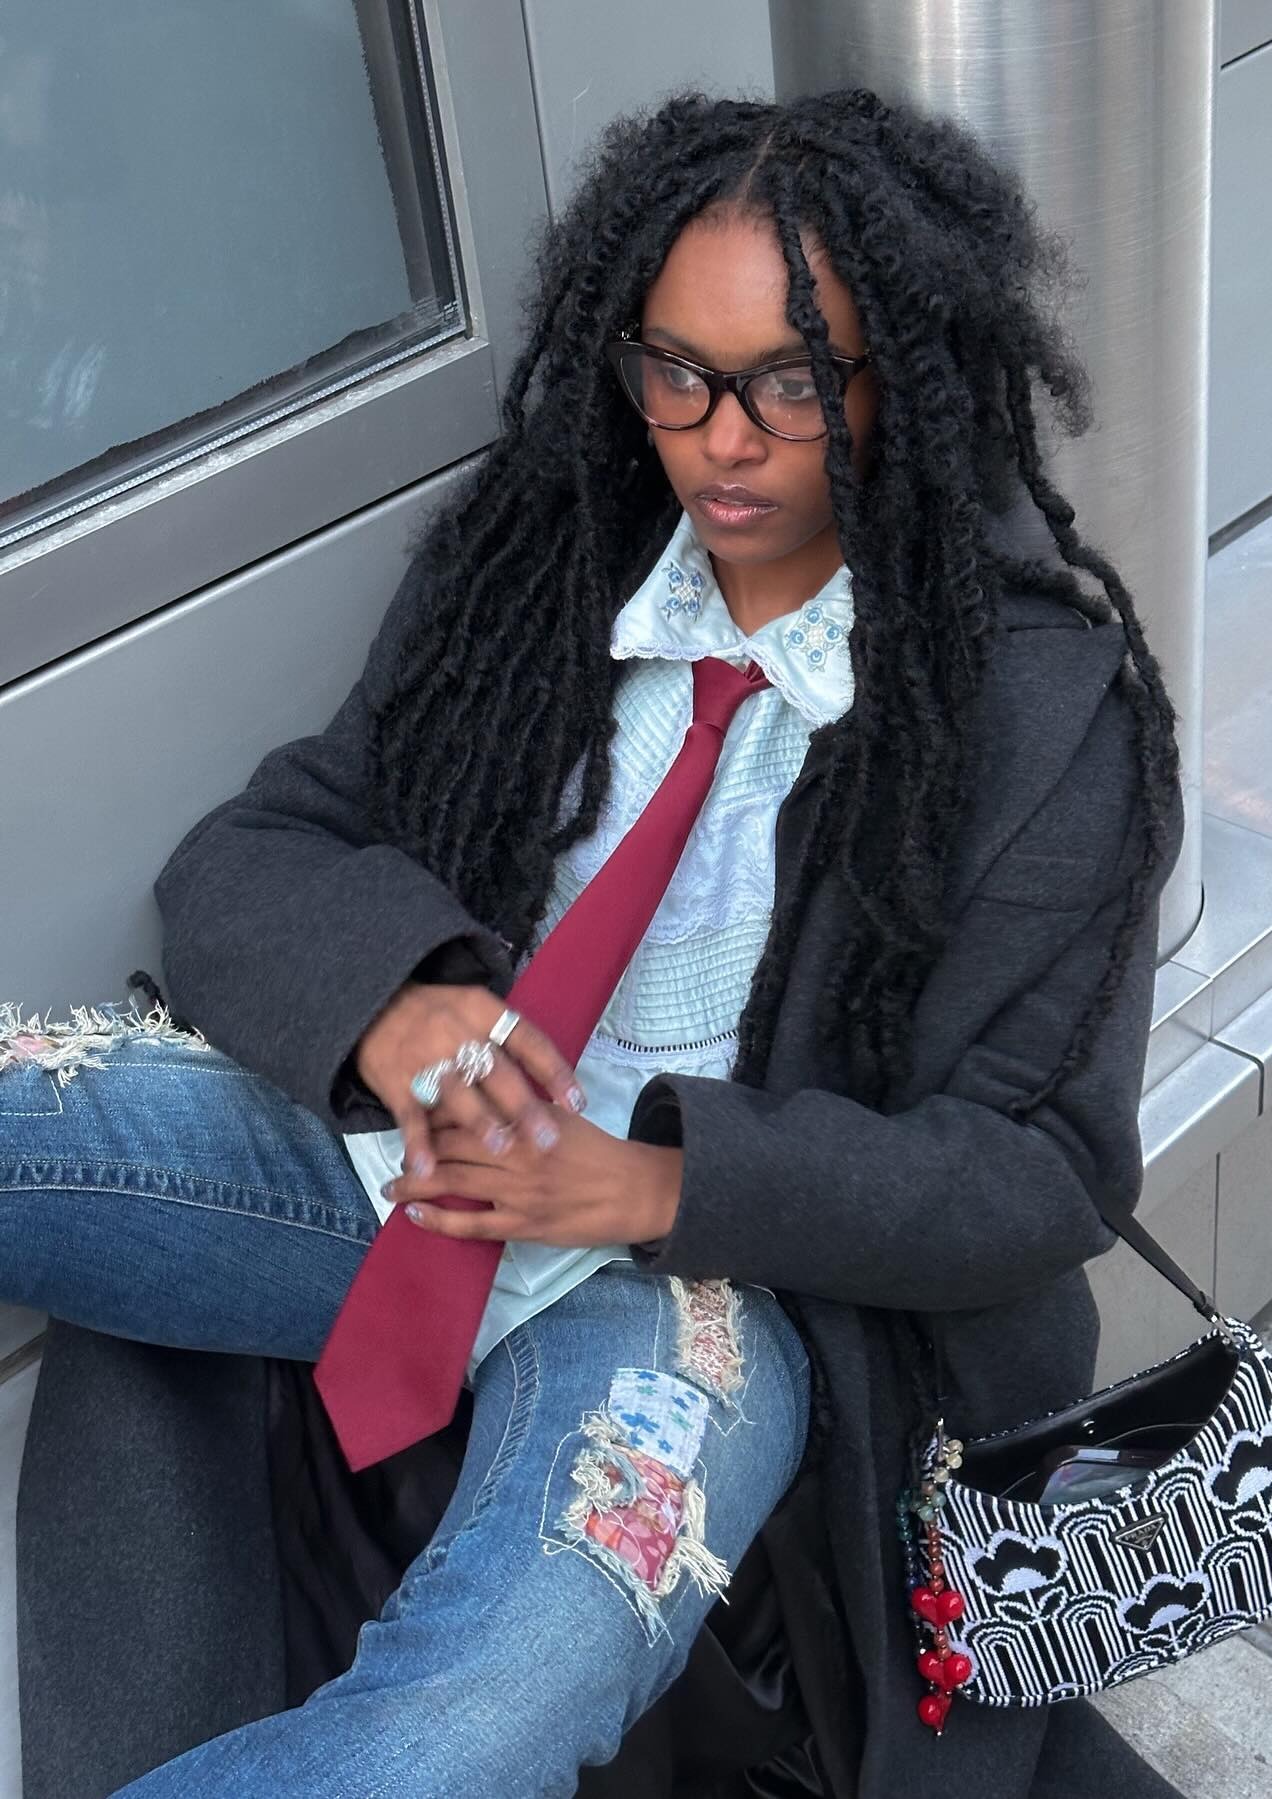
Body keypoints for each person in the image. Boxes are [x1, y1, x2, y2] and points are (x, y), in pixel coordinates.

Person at [0, 87, 1188, 1797]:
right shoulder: (547, 571)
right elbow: (258, 847)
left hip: (699, 1295)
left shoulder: (1033, 712)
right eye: (676, 371)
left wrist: (656, 1187)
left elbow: (1046, 1175)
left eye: (796, 381)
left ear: (900, 382)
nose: (723, 440)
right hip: (396, 1166)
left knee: (477, 1712)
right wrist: (402, 1011)